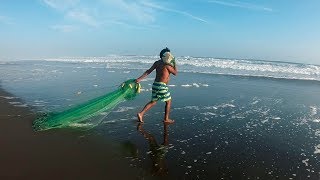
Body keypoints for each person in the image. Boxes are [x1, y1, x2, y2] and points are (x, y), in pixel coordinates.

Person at [136, 47, 177, 124]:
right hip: (162, 86)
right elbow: (175, 73)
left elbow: (148, 71)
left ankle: (141, 113)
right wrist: (174, 63)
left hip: (155, 84)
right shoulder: (167, 65)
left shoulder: (157, 63)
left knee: (153, 101)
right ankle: (166, 119)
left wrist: (139, 79)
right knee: (168, 102)